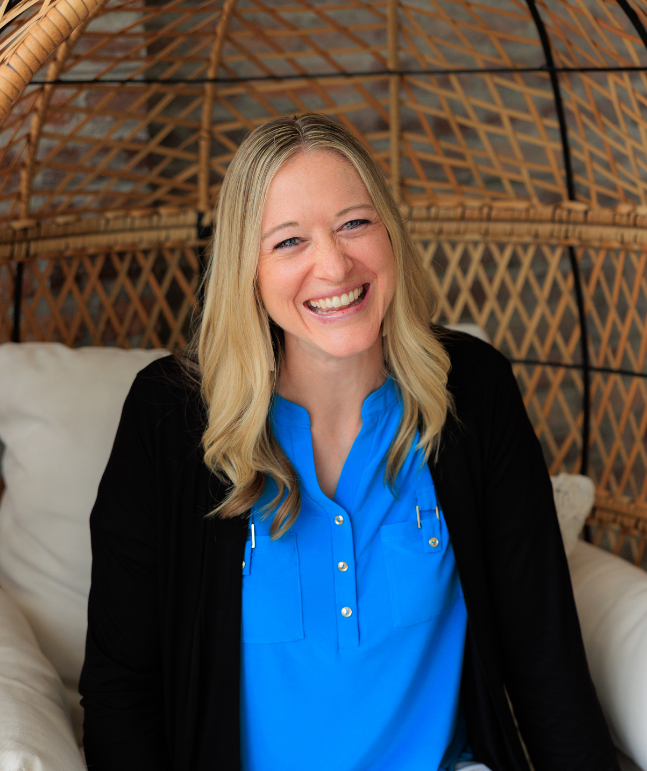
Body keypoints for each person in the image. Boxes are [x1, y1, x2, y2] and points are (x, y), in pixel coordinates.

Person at [79, 113, 619, 771]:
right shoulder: (169, 417)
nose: (334, 265)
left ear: (391, 232)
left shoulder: (474, 392)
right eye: (288, 241)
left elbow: (546, 659)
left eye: (354, 223)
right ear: (247, 269)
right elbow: (121, 693)